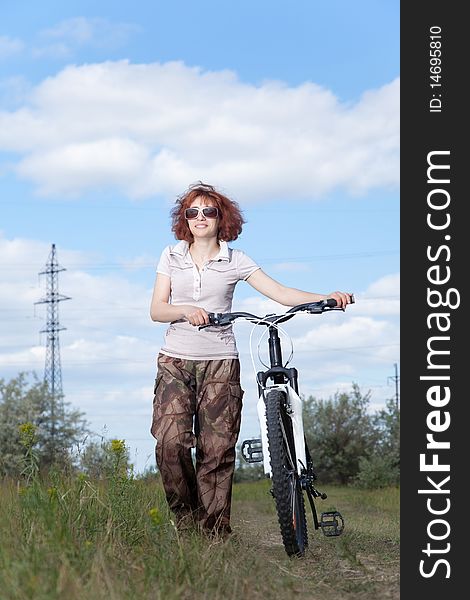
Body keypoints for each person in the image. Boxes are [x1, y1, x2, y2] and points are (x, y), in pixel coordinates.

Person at [150, 182, 351, 537]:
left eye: (208, 211)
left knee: (217, 451)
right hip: (175, 362)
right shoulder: (171, 255)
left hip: (221, 363)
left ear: (220, 217)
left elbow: (280, 292)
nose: (199, 218)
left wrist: (327, 297)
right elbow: (157, 310)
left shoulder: (236, 260)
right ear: (184, 219)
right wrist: (185, 310)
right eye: (192, 212)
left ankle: (213, 536)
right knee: (170, 444)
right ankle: (186, 521)